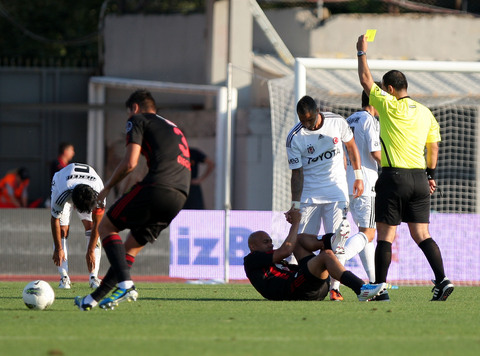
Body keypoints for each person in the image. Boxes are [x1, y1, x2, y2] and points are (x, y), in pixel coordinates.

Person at [356, 34, 454, 301]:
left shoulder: (388, 106)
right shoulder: (425, 112)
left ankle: (379, 288)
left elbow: (366, 81)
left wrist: (361, 52)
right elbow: (433, 147)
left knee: (386, 237)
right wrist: (431, 176)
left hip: (394, 176)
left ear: (388, 89)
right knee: (422, 234)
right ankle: (442, 280)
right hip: (420, 179)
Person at [75, 89, 191, 311]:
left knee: (107, 226)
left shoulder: (137, 119)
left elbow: (130, 163)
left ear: (134, 108)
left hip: (159, 186)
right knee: (128, 250)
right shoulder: (172, 127)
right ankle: (92, 299)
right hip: (179, 197)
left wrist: (107, 187)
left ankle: (126, 285)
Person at [286, 95, 364, 301]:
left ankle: (335, 288)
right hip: (309, 196)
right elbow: (296, 174)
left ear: (318, 112)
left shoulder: (337, 122)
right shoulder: (295, 137)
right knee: (301, 244)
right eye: (303, 121)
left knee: (337, 241)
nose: (307, 125)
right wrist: (294, 205)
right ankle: (303, 285)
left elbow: (351, 147)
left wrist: (358, 176)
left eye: (310, 120)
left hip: (336, 193)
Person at [244, 208, 387, 301]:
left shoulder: (270, 259)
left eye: (270, 241)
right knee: (326, 255)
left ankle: (332, 240)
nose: (270, 244)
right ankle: (361, 289)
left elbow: (289, 251)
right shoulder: (252, 259)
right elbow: (286, 250)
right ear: (253, 246)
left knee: (299, 240)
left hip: (310, 287)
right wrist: (295, 222)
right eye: (265, 242)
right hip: (295, 290)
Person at [337, 90, 381, 290]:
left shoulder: (349, 119)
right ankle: (337, 260)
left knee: (363, 233)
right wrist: (394, 165)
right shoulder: (369, 120)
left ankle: (375, 281)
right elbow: (375, 151)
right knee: (369, 234)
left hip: (348, 183)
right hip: (366, 183)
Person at [51, 163, 105, 289]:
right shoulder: (62, 192)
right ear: (74, 204)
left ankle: (94, 277)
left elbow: (98, 223)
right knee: (63, 230)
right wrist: (58, 249)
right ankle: (63, 277)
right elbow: (55, 220)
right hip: (62, 182)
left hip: (84, 186)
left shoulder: (99, 193)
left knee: (91, 227)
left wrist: (91, 250)